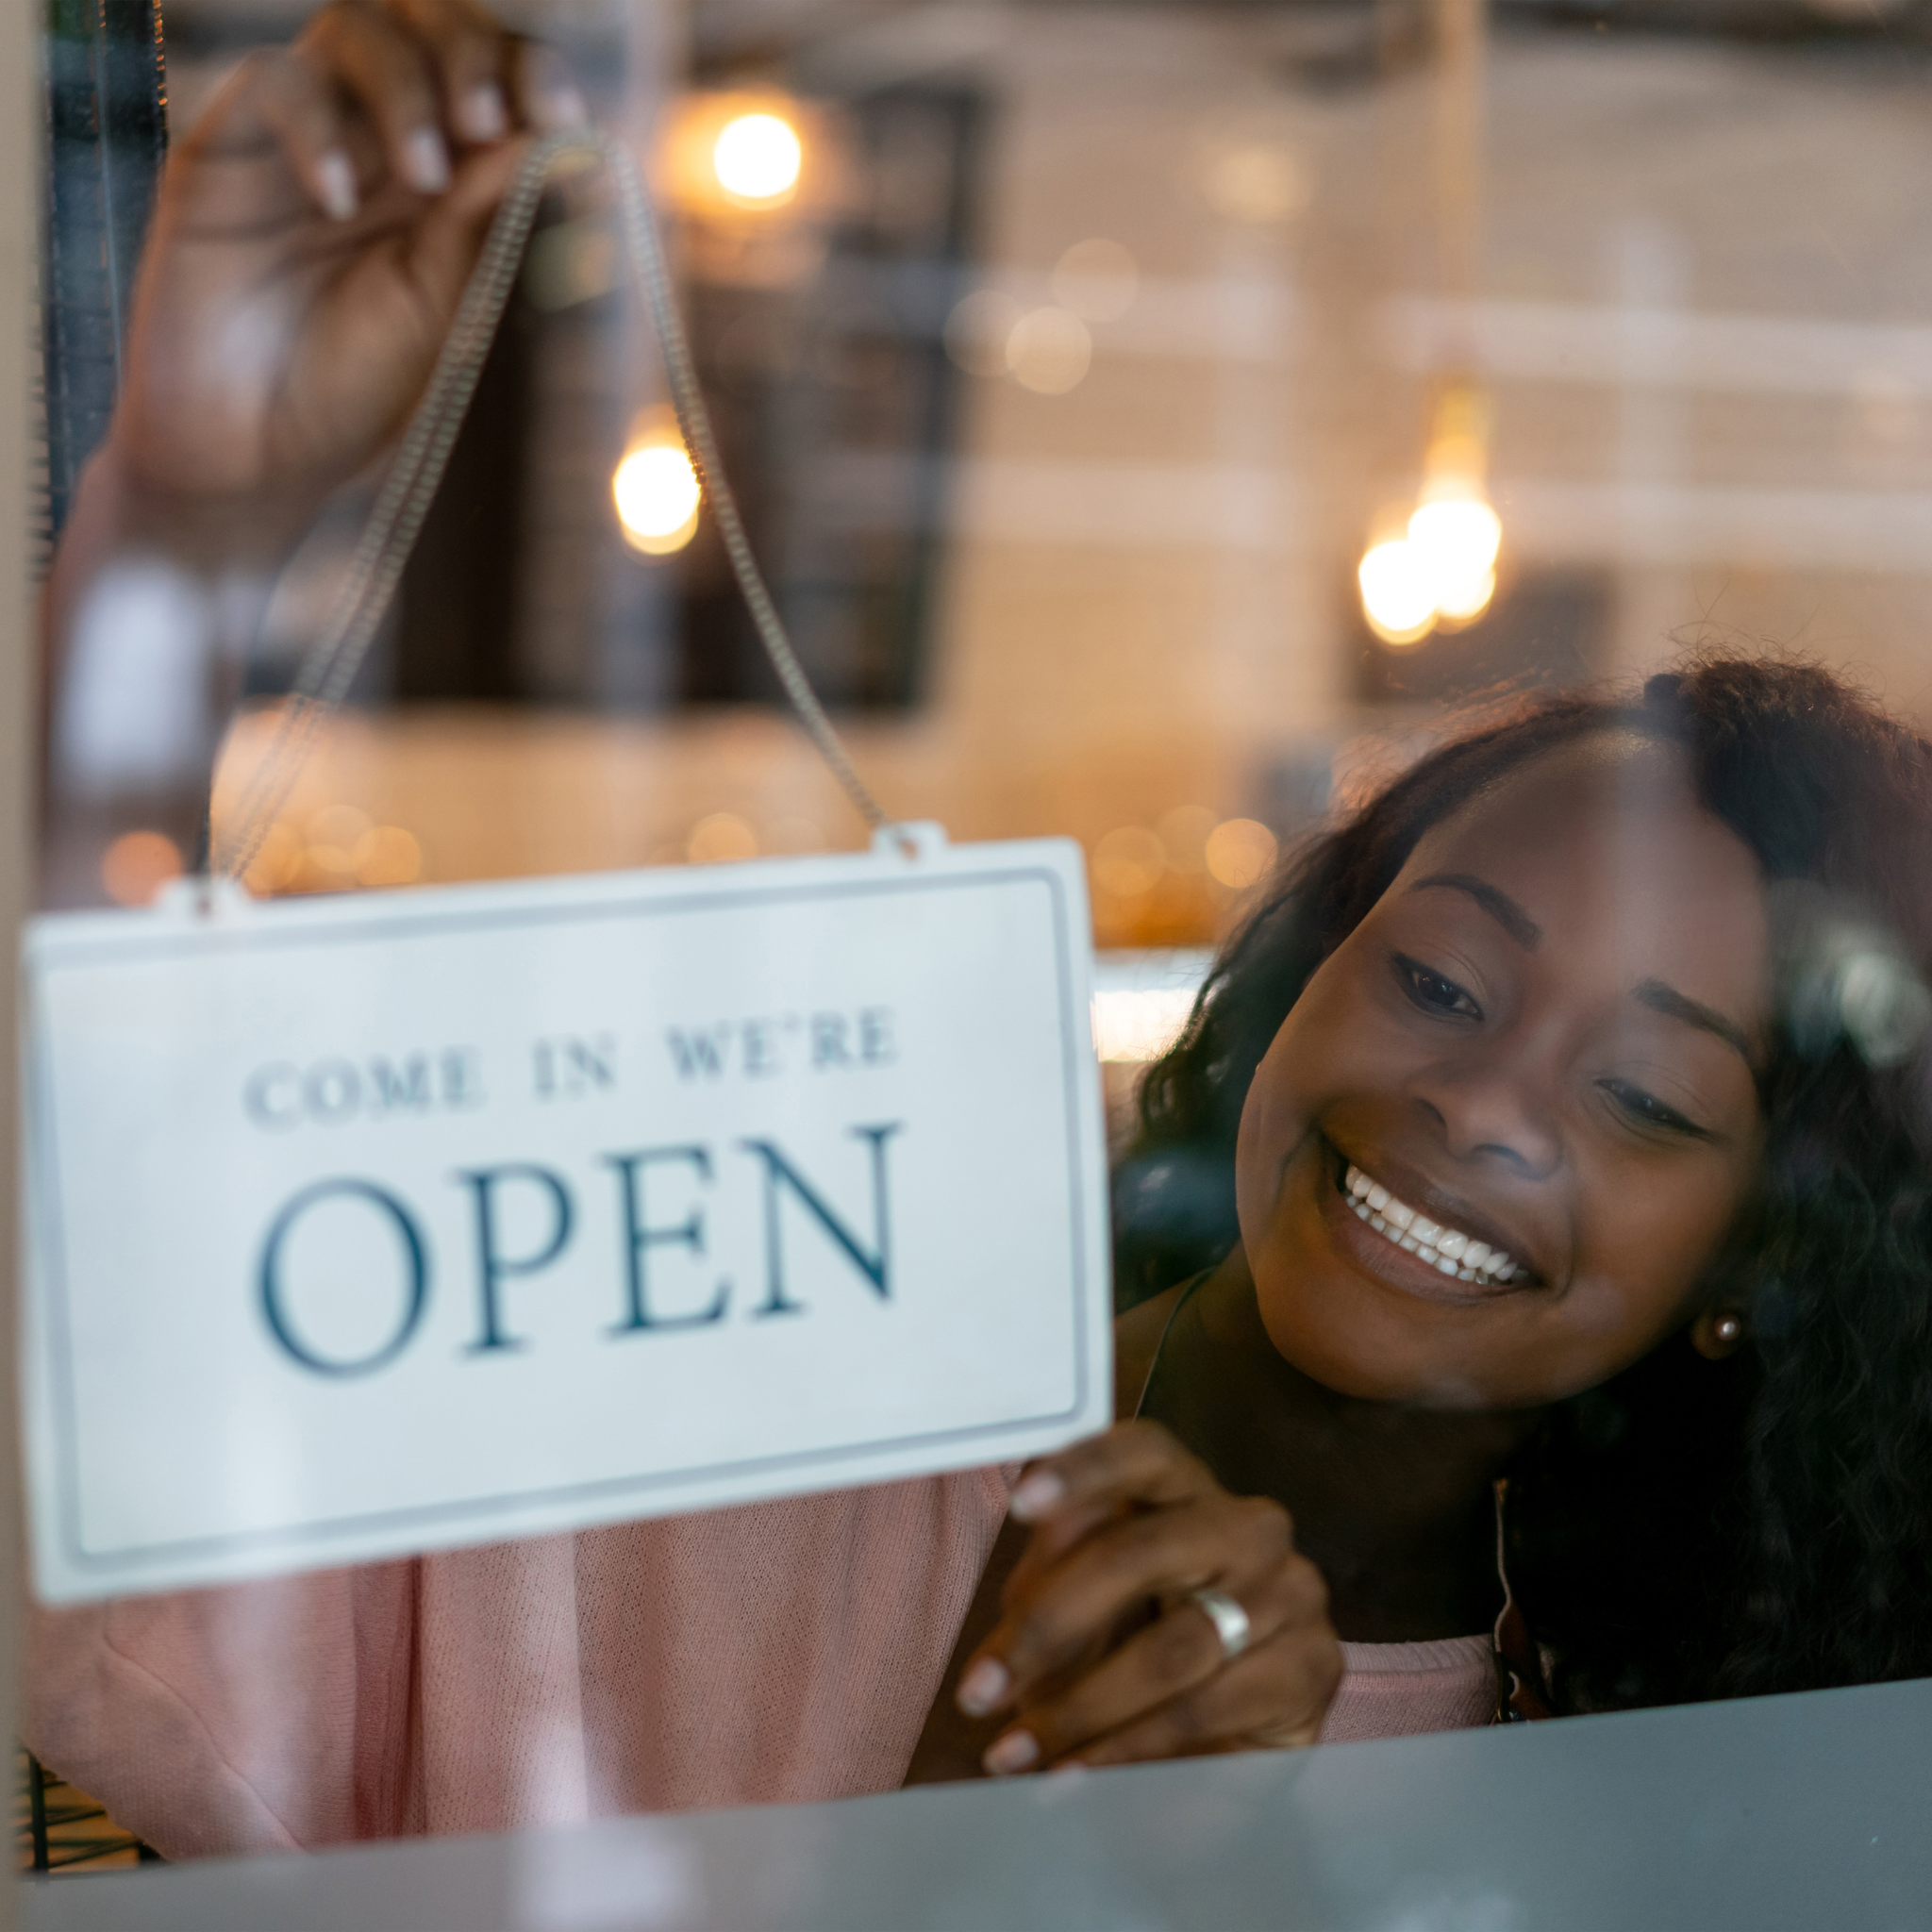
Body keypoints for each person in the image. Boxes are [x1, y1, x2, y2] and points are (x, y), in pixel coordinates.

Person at [27, 0, 1932, 1860]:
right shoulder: (726, 1395)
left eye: (1645, 1096)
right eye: (1437, 975)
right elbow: (84, 1394)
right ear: (1293, 987)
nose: (1484, 1104)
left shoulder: (1653, 1791)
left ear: (1756, 1251)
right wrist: (193, 523)